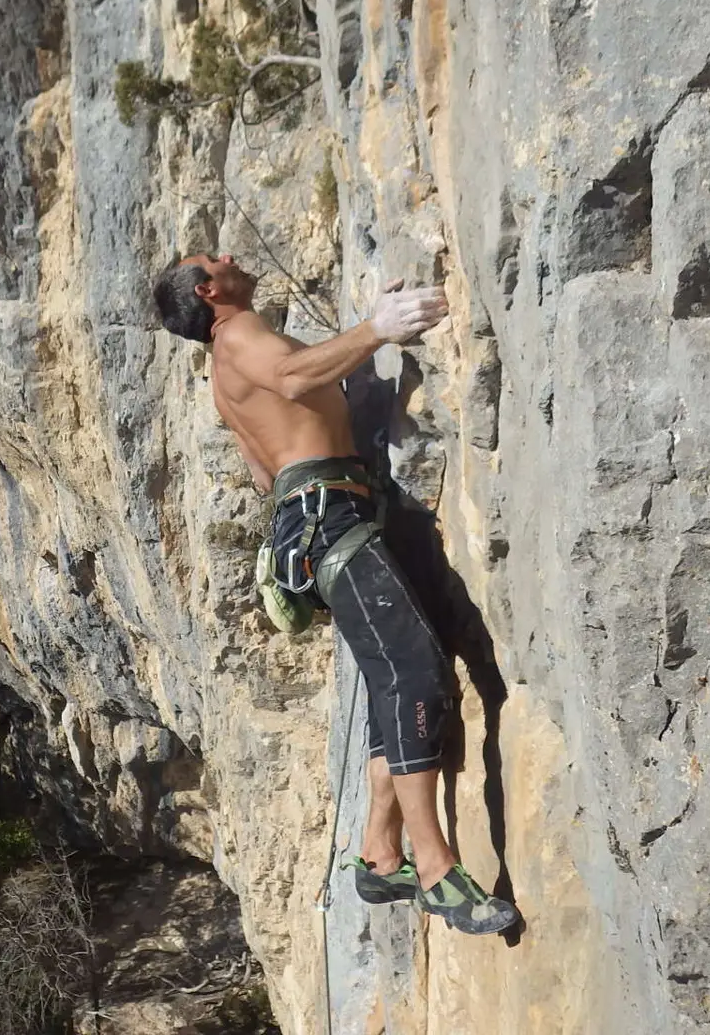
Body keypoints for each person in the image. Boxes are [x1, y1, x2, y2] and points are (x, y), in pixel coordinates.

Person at [151, 253, 518, 936]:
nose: (231, 257)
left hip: (312, 524)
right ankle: (437, 871)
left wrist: (351, 354)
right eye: (215, 260)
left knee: (391, 680)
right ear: (208, 291)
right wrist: (377, 328)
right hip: (333, 517)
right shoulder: (238, 334)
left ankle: (381, 855)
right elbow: (294, 377)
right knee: (415, 675)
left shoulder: (223, 376)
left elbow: (265, 472)